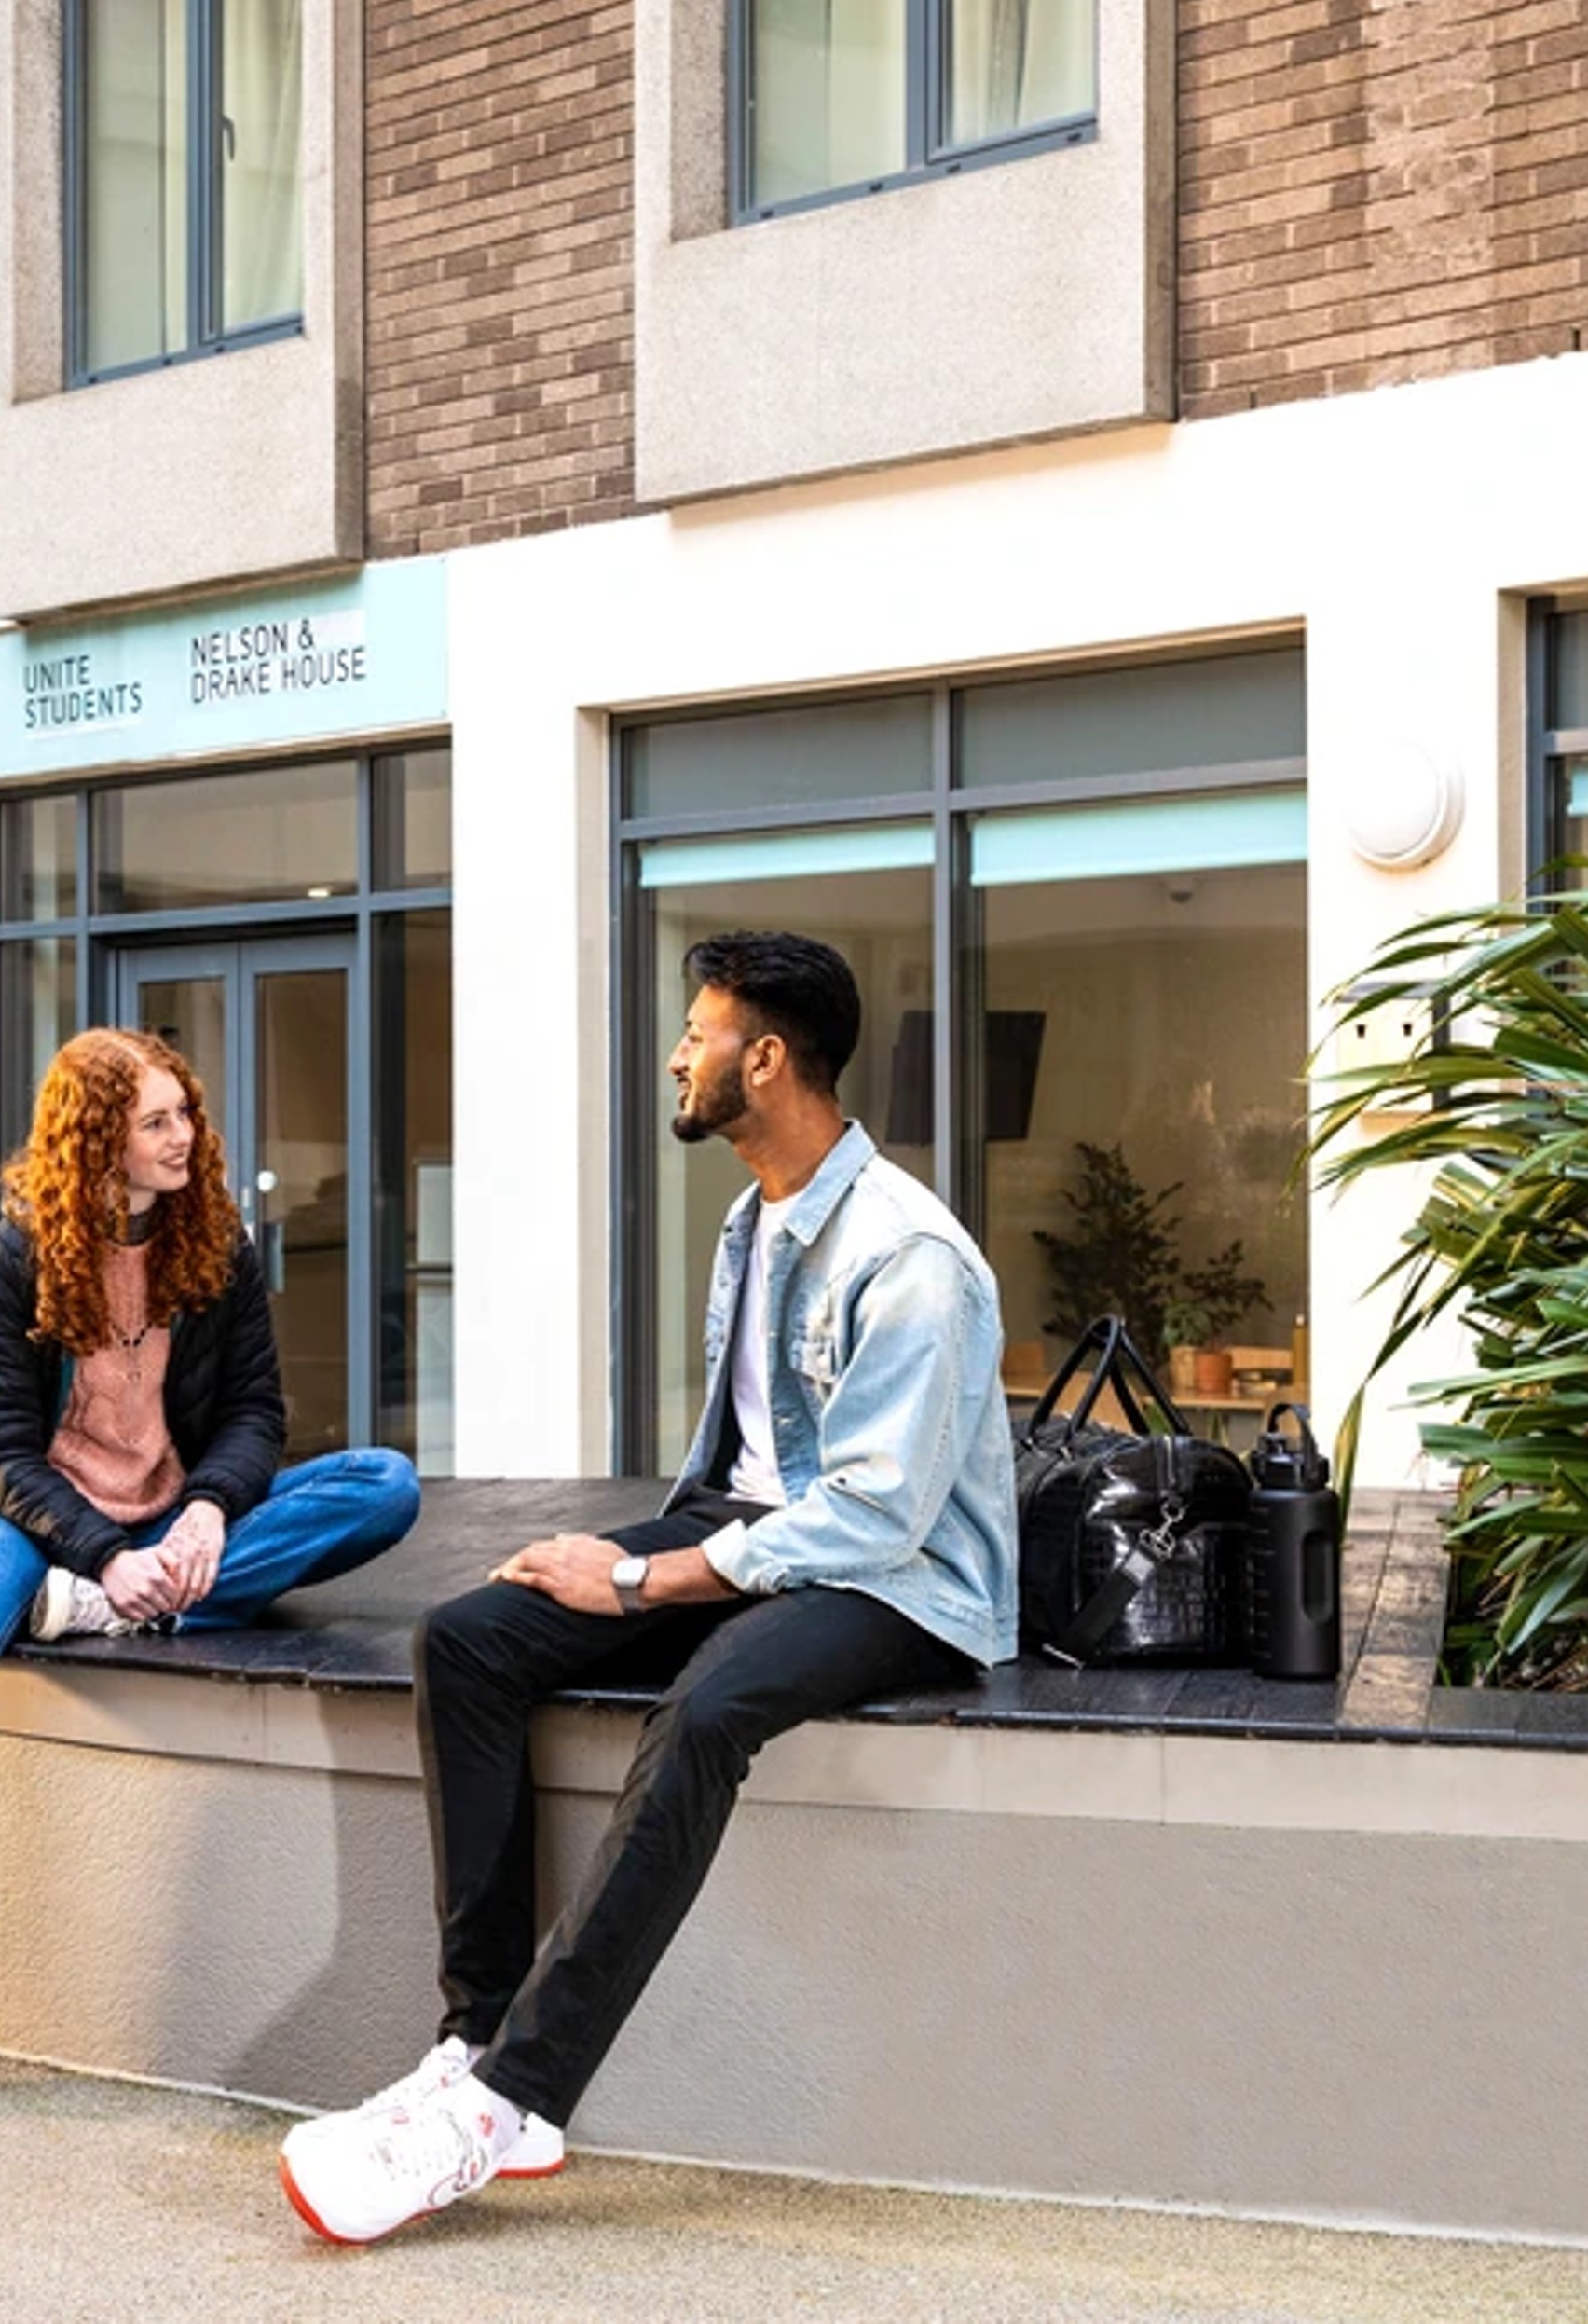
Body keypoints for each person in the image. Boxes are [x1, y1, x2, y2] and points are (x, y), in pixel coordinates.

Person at [277, 931, 1018, 2245]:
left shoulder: (911, 1255)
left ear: (769, 1058)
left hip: (900, 1581)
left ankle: (511, 2101)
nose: (679, 1054)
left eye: (699, 1031)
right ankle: (476, 2033)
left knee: (712, 1703)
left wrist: (638, 1576)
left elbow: (875, 1512)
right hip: (756, 1533)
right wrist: (649, 1563)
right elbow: (743, 1478)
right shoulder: (751, 1219)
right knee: (470, 1639)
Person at [0, 1027, 423, 2106]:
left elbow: (255, 1413)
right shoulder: (18, 1255)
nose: (183, 1135)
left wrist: (201, 1511)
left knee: (382, 1482)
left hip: (172, 1521)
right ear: (98, 1137)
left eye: (183, 1113)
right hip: (44, 1522)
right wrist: (101, 1548)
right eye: (157, 1120)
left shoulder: (218, 1245)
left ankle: (98, 1610)